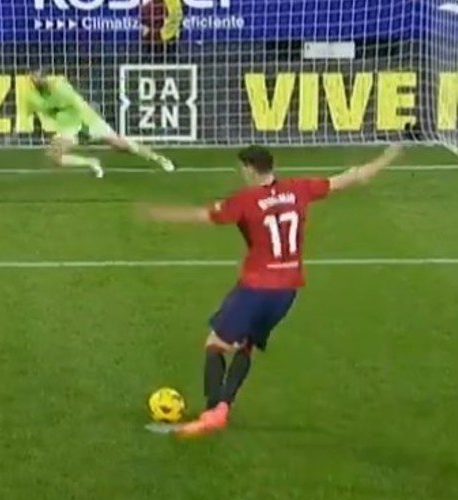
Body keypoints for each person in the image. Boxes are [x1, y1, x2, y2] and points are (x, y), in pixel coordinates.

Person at [144, 144, 403, 437]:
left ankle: (212, 410)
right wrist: (389, 155)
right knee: (247, 345)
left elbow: (204, 216)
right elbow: (353, 176)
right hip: (287, 291)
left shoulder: (246, 200)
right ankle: (222, 409)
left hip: (256, 288)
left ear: (250, 169)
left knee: (215, 344)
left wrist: (160, 214)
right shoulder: (298, 189)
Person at [24, 70, 174, 178]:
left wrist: (51, 110)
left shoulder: (60, 86)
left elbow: (57, 104)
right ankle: (90, 162)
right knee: (56, 158)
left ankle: (158, 158)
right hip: (69, 126)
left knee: (122, 145)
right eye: (34, 78)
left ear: (45, 76)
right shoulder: (34, 96)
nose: (37, 80)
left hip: (87, 120)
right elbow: (46, 109)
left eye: (39, 76)